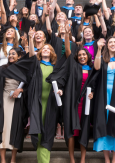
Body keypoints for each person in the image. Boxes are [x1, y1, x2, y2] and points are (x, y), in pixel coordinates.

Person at [26, 35, 66, 163]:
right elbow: (32, 54)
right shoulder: (36, 64)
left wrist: (60, 90)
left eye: (48, 49)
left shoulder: (55, 68)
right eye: (44, 48)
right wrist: (31, 40)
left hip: (50, 104)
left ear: (52, 53)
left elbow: (60, 84)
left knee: (47, 133)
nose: (46, 50)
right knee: (38, 132)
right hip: (37, 103)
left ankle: (44, 161)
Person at [92, 37, 115, 163]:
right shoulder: (102, 60)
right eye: (110, 42)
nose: (113, 44)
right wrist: (99, 49)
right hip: (103, 96)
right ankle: (107, 159)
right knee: (103, 125)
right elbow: (96, 68)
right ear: (107, 45)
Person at [0, 47, 27, 163]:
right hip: (4, 99)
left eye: (13, 54)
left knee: (16, 129)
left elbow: (30, 86)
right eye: (9, 54)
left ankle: (13, 159)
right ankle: (3, 160)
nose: (10, 56)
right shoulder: (3, 68)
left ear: (19, 56)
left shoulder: (23, 69)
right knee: (3, 129)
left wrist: (20, 90)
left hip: (18, 101)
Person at [62, 25, 94, 163]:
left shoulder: (93, 69)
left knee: (84, 131)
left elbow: (95, 85)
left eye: (84, 55)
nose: (81, 56)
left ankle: (82, 159)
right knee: (71, 132)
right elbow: (68, 50)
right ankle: (72, 159)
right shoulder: (74, 66)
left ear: (88, 56)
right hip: (72, 103)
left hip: (85, 104)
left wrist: (92, 92)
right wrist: (68, 34)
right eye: (79, 55)